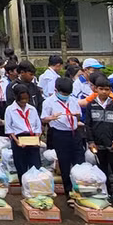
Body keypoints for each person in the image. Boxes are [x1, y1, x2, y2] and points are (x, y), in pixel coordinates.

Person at [83, 74, 113, 202]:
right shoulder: (91, 105)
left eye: (107, 89)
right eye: (101, 89)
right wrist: (91, 141)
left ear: (110, 90)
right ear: (96, 89)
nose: (104, 92)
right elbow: (88, 125)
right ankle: (105, 192)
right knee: (101, 169)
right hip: (98, 144)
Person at [40, 76, 83, 205]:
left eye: (67, 94)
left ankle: (81, 192)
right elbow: (43, 119)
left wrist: (77, 116)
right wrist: (51, 118)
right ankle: (69, 193)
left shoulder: (73, 100)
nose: (65, 96)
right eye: (63, 93)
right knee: (64, 164)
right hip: (60, 134)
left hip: (74, 133)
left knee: (80, 163)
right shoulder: (49, 102)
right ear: (56, 90)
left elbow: (79, 117)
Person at [4, 83, 41, 176]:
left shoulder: (32, 109)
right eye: (22, 100)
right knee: (21, 167)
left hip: (32, 137)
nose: (24, 101)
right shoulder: (10, 110)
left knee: (35, 167)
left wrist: (37, 139)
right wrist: (17, 141)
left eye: (26, 99)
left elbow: (38, 126)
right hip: (19, 138)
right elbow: (9, 128)